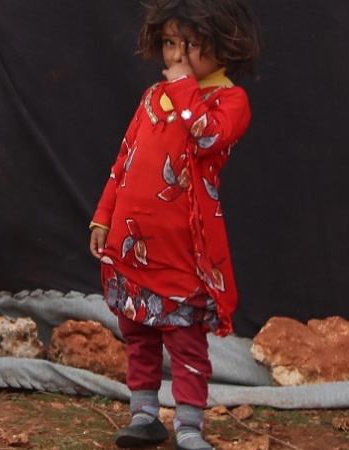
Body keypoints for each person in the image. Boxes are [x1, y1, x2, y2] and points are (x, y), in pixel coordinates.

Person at [88, 1, 258, 449]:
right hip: (132, 245)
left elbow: (206, 136)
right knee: (137, 333)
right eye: (169, 43)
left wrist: (183, 87)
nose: (177, 57)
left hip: (182, 253)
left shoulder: (230, 101)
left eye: (191, 45)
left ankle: (188, 425)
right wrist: (103, 217)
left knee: (185, 343)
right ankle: (143, 414)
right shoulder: (150, 98)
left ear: (224, 46)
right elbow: (123, 161)